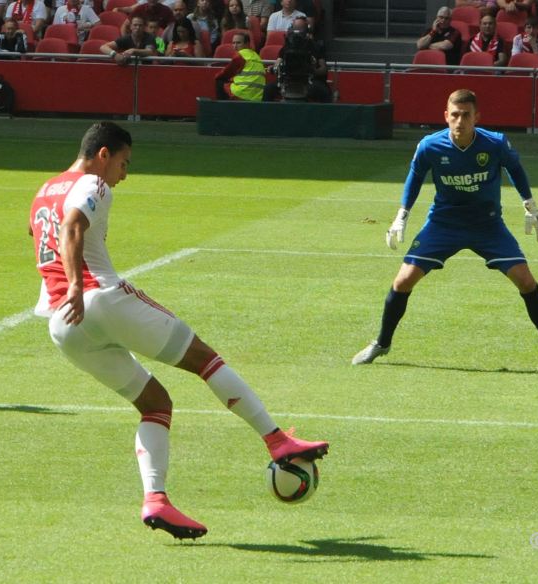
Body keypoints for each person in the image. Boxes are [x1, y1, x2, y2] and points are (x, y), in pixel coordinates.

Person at [28, 121, 329, 539]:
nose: (123, 174)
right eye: (123, 162)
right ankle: (277, 439)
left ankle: (157, 500)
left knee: (155, 404)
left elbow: (41, 234)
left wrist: (69, 290)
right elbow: (72, 227)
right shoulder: (94, 185)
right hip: (98, 299)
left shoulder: (44, 190)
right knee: (204, 359)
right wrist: (79, 285)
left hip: (63, 325)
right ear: (103, 154)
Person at [351, 89, 538, 373]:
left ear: (476, 117)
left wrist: (531, 207)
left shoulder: (495, 144)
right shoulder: (430, 146)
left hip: (488, 225)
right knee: (403, 280)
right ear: (446, 116)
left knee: (526, 281)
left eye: (466, 115)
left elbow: (515, 169)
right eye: (454, 115)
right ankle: (381, 343)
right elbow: (415, 177)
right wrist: (401, 216)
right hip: (444, 224)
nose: (460, 121)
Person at [262, 16, 330, 102]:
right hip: (287, 81)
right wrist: (275, 68)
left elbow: (323, 69)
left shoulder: (317, 47)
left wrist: (312, 71)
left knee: (324, 92)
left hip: (309, 81)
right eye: (295, 28)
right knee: (268, 89)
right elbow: (278, 63)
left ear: (307, 30)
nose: (298, 31)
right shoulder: (286, 47)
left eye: (301, 28)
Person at [215, 30, 264, 100]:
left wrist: (216, 76)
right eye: (233, 43)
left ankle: (223, 109)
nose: (235, 46)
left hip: (242, 94)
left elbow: (225, 73)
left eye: (238, 43)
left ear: (247, 44)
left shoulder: (241, 55)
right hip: (256, 97)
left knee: (219, 81)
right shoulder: (257, 56)